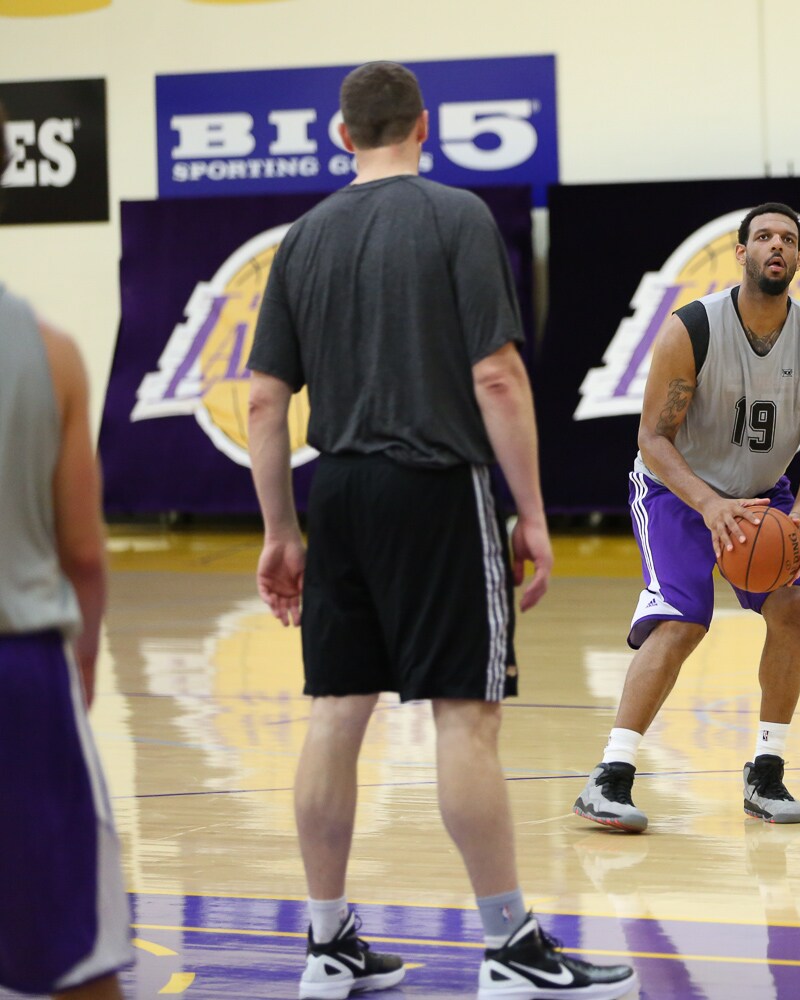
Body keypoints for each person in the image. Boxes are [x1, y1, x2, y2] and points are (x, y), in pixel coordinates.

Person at [246, 62, 636, 1000]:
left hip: (334, 488)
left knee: (338, 712)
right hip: (435, 488)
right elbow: (496, 377)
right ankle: (508, 948)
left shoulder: (300, 240)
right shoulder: (456, 216)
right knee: (466, 716)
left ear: (343, 137)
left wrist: (280, 531)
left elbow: (263, 401)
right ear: (425, 126)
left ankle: (328, 942)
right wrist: (533, 514)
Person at [574, 202, 800, 833]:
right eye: (763, 237)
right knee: (680, 622)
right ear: (742, 253)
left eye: (787, 239)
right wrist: (709, 504)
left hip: (763, 495)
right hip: (678, 489)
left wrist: (798, 518)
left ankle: (766, 771)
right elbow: (653, 438)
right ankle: (609, 775)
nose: (775, 246)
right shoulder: (692, 328)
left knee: (795, 605)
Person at [0, 100, 134, 1000]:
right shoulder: (46, 351)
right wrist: (81, 664)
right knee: (73, 962)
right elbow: (84, 554)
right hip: (17, 675)